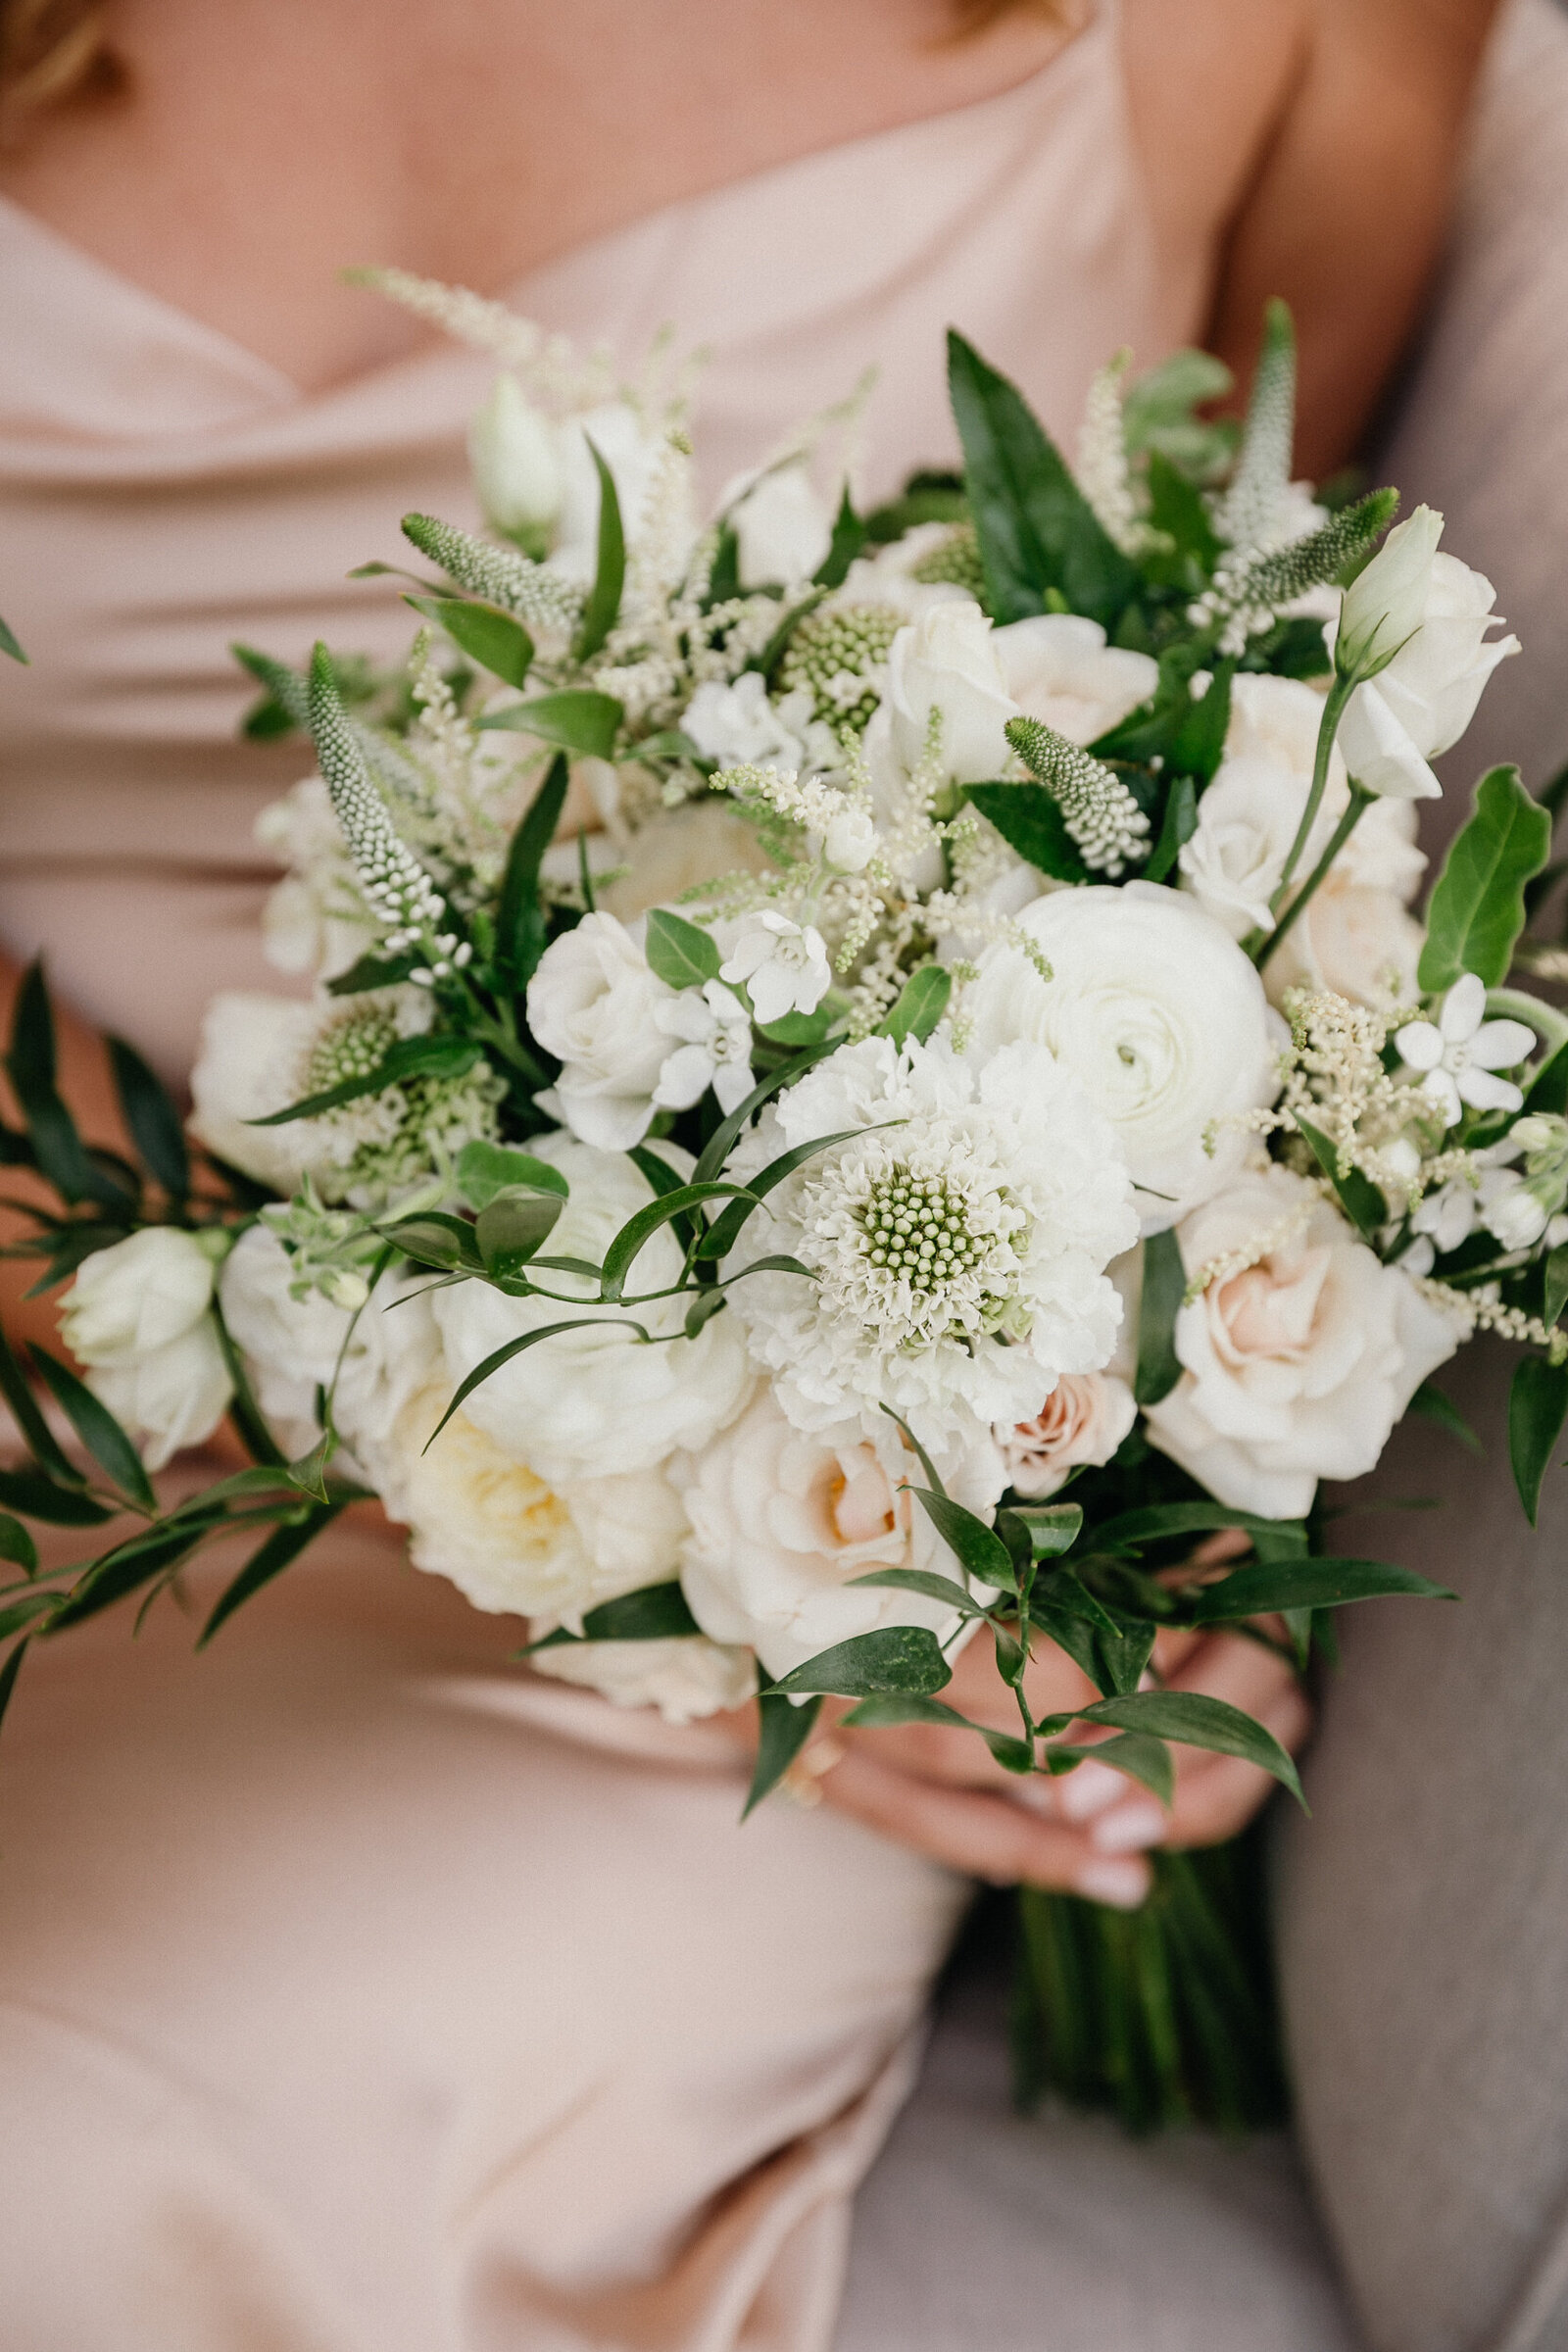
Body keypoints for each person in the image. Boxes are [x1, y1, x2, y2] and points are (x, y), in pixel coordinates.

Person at [0, 3, 1504, 2344]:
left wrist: (1033, 1516)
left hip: (683, 1584)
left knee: (64, 2110)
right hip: (88, 1338)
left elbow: (1235, 732)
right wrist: (377, 1362)